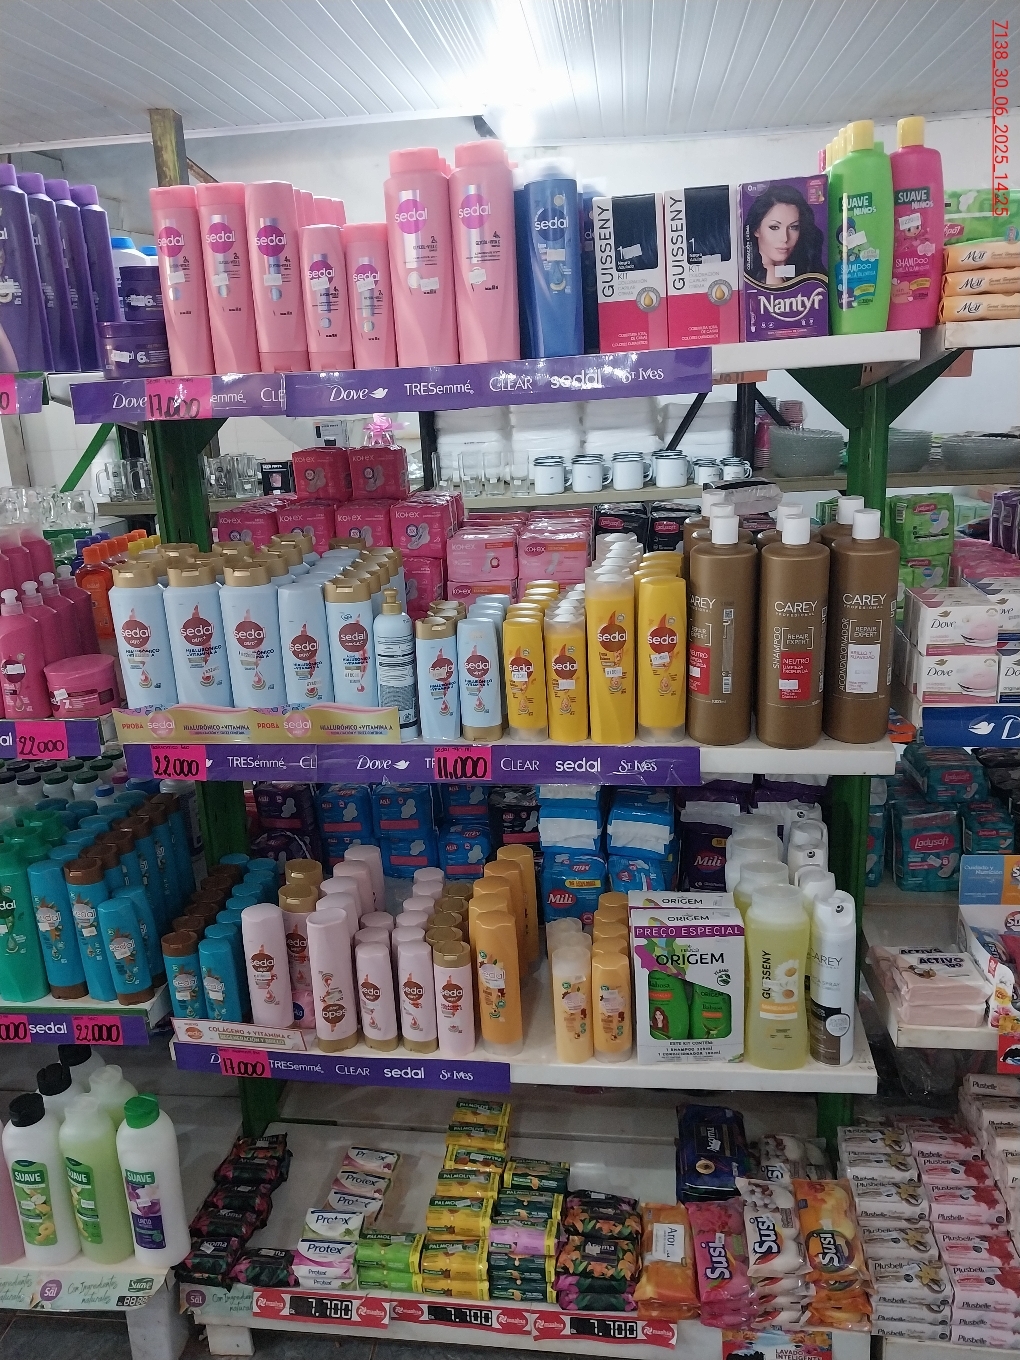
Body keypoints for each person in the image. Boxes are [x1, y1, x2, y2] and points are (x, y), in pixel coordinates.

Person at [744, 184, 825, 287]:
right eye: (774, 227)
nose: (785, 238)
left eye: (793, 227)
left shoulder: (801, 267)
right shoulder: (768, 276)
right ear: (756, 229)